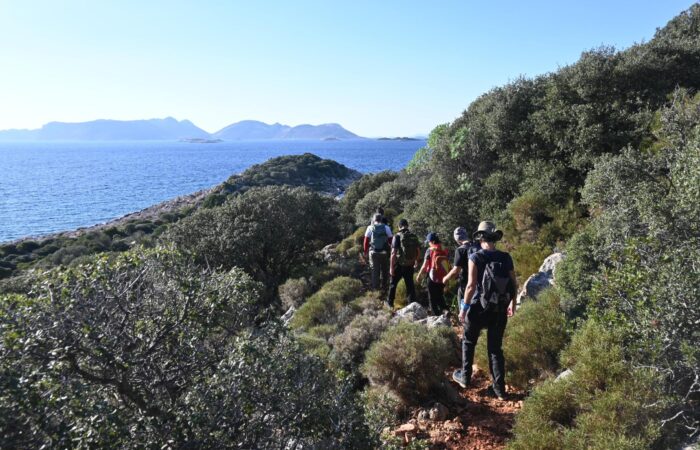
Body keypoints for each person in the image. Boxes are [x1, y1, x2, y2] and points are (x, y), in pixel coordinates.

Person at [452, 221, 517, 400]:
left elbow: (471, 285)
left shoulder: (476, 257)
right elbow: (513, 283)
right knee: (495, 349)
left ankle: (465, 378)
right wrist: (513, 304)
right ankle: (499, 390)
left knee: (468, 341)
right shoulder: (506, 257)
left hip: (478, 309)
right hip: (499, 309)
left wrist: (463, 309)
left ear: (480, 237)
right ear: (495, 238)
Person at [443, 227, 481, 313]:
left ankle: (464, 321)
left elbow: (456, 270)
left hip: (466, 283)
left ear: (457, 239)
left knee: (464, 306)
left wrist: (445, 278)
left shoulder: (460, 250)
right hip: (479, 282)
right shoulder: (477, 246)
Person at [387, 218, 421, 309]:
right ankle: (412, 305)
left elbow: (393, 253)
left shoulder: (397, 236)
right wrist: (416, 261)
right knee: (410, 285)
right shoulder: (413, 236)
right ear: (407, 226)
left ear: (399, 227)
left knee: (393, 284)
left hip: (399, 264)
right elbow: (418, 250)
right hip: (410, 264)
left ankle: (390, 304)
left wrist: (391, 267)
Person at [416, 232, 450, 315]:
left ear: (432, 241)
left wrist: (419, 275)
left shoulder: (430, 250)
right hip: (443, 277)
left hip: (432, 277)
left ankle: (435, 316)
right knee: (440, 296)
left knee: (432, 298)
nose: (428, 243)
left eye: (428, 241)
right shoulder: (444, 249)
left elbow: (425, 265)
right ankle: (446, 311)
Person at [363, 213, 393, 290]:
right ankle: (384, 287)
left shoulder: (370, 227)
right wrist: (392, 251)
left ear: (373, 219)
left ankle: (375, 289)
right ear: (381, 219)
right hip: (384, 252)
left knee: (374, 270)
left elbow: (366, 241)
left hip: (373, 252)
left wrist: (365, 252)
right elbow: (391, 241)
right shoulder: (386, 227)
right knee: (384, 270)